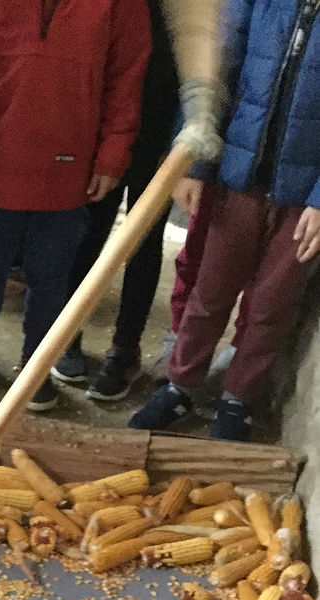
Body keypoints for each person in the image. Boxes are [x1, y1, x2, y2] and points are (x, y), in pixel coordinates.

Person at [0, 0, 151, 410]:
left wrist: (112, 154)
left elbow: (126, 78)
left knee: (51, 275)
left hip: (69, 160)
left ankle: (35, 363)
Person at [130, 0, 320, 441]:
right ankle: (181, 383)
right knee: (210, 290)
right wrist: (194, 164)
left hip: (302, 197)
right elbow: (218, 72)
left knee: (273, 304)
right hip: (238, 174)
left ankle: (239, 397)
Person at [51, 0, 180, 402]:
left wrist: (179, 141)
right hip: (103, 130)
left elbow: (202, 73)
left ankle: (124, 350)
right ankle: (67, 333)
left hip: (159, 134)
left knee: (142, 244)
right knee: (86, 233)